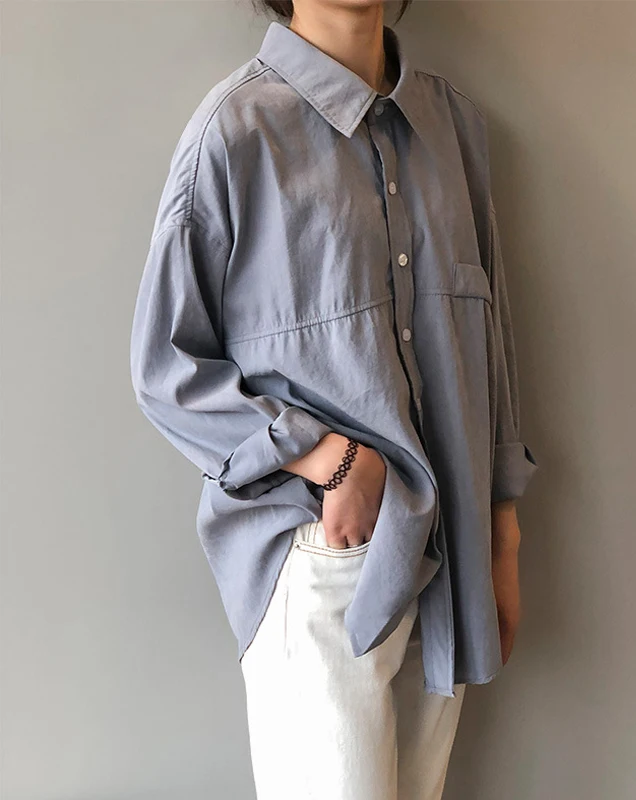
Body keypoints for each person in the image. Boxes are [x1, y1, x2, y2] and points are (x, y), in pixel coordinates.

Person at [129, 0, 538, 797]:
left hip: (450, 555)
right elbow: (164, 367)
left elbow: (490, 340)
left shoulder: (452, 126)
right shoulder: (236, 131)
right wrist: (329, 459)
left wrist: (502, 532)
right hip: (320, 552)